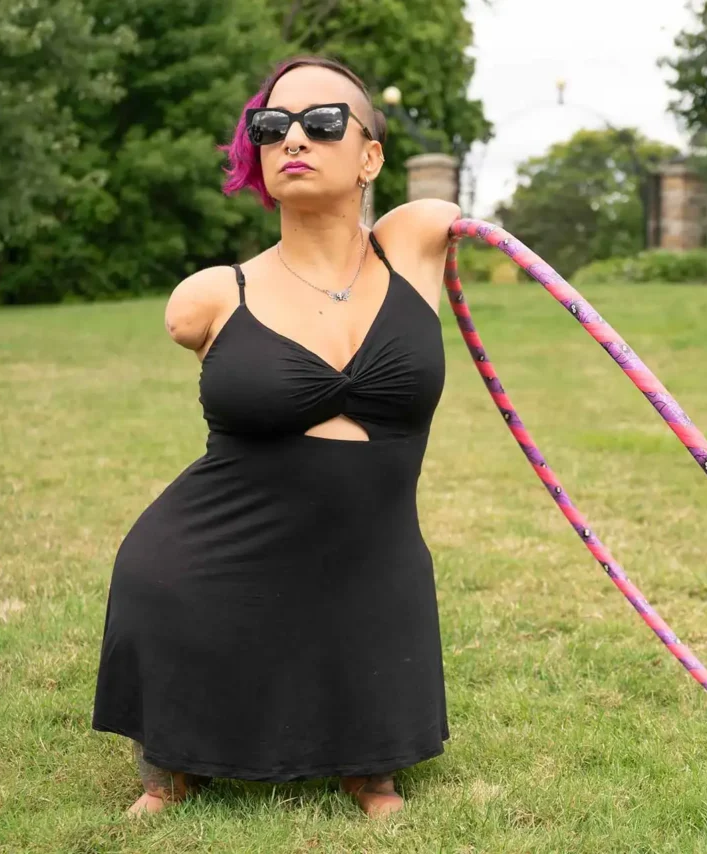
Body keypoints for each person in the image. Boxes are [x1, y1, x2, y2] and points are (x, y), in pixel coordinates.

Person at [91, 54, 461, 819]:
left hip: (372, 558)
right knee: (174, 594)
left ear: (370, 158)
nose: (293, 138)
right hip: (215, 551)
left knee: (365, 598)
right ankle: (172, 763)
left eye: (322, 122)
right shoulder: (211, 296)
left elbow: (442, 217)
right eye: (272, 125)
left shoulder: (414, 247)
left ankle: (368, 764)